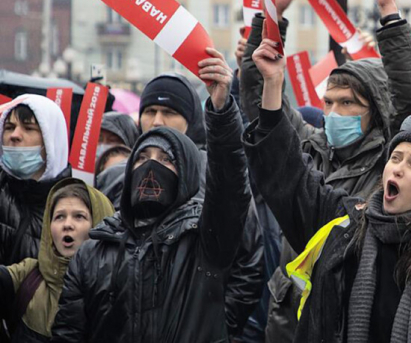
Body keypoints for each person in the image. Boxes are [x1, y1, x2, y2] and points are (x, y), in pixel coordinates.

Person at [240, 0, 411, 342]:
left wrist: (390, 14)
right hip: (293, 325)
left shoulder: (392, 163)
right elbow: (260, 106)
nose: (333, 113)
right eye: (328, 102)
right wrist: (270, 18)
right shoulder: (308, 147)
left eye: (347, 103)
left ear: (375, 111)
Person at [245, 28, 411, 340]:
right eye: (395, 158)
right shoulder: (346, 224)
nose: (397, 169)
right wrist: (273, 84)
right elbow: (287, 175)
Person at [51, 48, 252, 342]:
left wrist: (221, 111)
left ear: (185, 174)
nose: (152, 166)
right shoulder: (95, 250)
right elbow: (68, 333)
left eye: (166, 159)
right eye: (143, 158)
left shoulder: (203, 240)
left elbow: (231, 190)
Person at [136, 70, 267, 339]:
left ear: (190, 119)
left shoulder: (214, 173)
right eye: (149, 111)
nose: (157, 121)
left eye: (169, 112)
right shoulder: (128, 172)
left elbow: (250, 259)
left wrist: (216, 324)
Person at [0, 178, 114, 342]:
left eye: (79, 216)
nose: (67, 224)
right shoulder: (29, 275)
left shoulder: (120, 287)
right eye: (59, 216)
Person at [0, 96, 71, 267]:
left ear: (51, 139)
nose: (15, 135)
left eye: (28, 128)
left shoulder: (76, 206)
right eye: (9, 127)